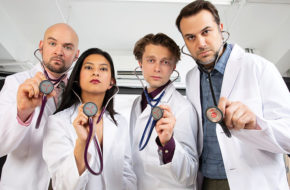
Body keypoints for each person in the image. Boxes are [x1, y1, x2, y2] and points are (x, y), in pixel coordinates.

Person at [175, 1, 290, 189]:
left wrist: (255, 123)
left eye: (206, 32)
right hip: (208, 181)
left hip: (253, 180)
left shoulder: (258, 67)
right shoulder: (191, 78)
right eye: (190, 37)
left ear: (220, 29)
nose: (200, 43)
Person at [43, 48, 137, 190]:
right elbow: (62, 185)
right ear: (77, 78)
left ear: (111, 82)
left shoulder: (120, 122)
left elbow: (127, 172)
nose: (96, 72)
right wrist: (82, 143)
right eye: (88, 67)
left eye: (103, 69)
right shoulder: (58, 122)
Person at [0, 23, 79, 190]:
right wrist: (22, 112)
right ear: (41, 46)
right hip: (23, 184)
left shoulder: (79, 94)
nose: (59, 51)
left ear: (76, 55)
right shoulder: (16, 83)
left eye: (67, 47)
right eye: (52, 43)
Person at [130, 33, 199, 190]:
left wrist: (169, 144)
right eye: (151, 60)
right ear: (140, 63)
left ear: (173, 67)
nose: (157, 68)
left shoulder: (183, 108)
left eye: (165, 62)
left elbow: (189, 173)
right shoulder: (137, 103)